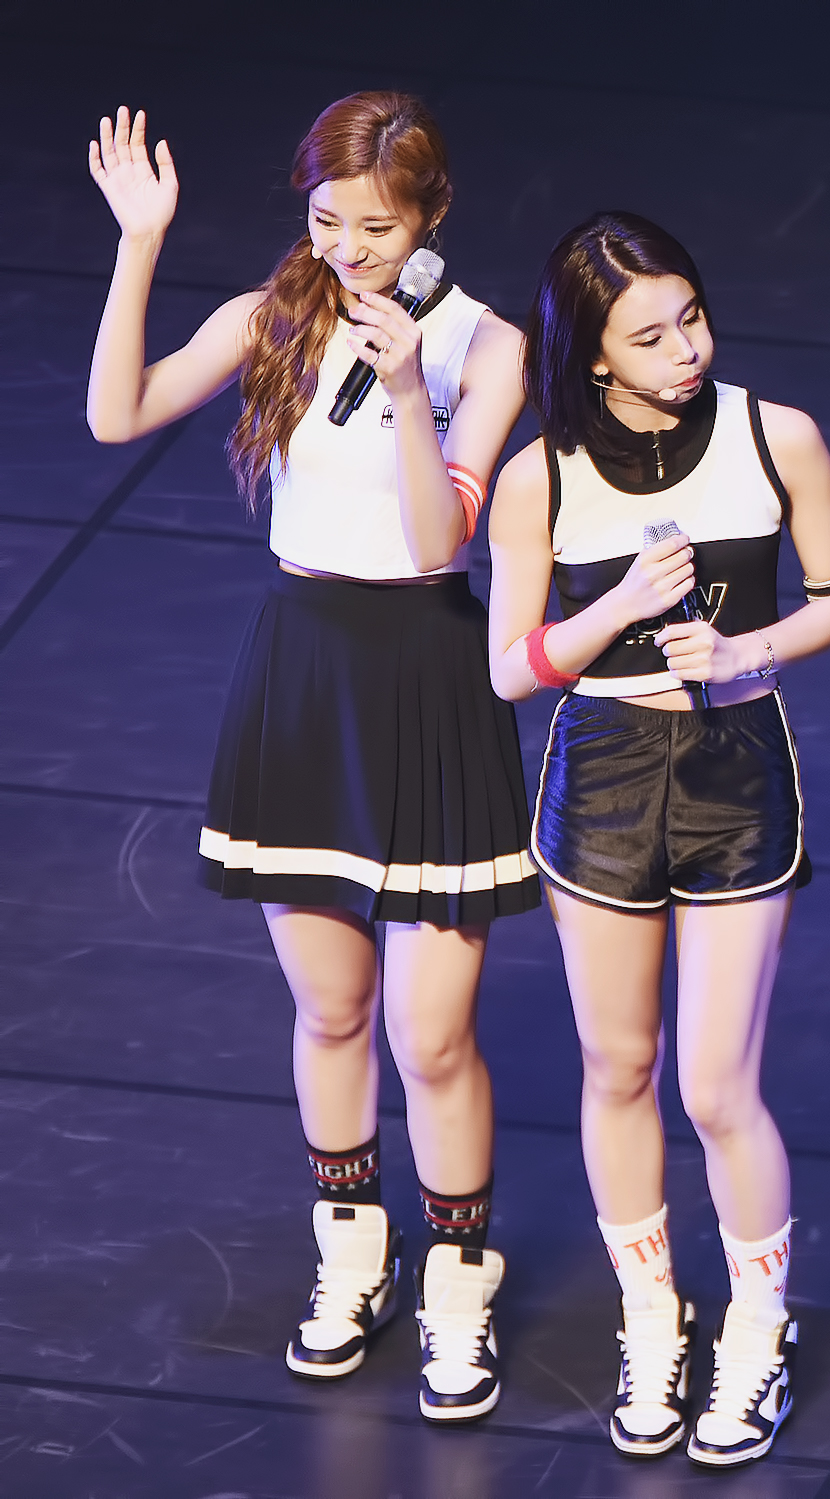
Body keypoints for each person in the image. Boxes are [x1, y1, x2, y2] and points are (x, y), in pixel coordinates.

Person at [87, 92, 539, 1423]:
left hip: (429, 677)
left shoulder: (486, 345)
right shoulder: (271, 314)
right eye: (328, 218)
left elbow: (440, 541)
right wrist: (139, 243)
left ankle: (458, 1278)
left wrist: (406, 389)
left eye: (377, 226)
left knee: (431, 1034)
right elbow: (116, 414)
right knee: (332, 1010)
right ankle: (354, 1252)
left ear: (432, 215)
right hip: (303, 672)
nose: (347, 246)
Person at [488, 211, 830, 1467]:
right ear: (593, 353)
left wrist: (748, 647)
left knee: (714, 1082)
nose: (685, 348)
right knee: (617, 1063)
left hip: (733, 766)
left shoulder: (775, 435)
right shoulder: (541, 476)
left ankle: (757, 1325)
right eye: (649, 336)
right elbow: (510, 667)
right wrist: (616, 610)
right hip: (601, 768)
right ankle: (652, 1315)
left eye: (690, 318)